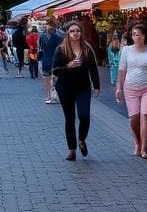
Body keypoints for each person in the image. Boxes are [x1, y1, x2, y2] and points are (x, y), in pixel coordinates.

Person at [52, 20, 101, 161]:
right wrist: (68, 66)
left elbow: (93, 68)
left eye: (78, 31)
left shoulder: (86, 49)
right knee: (70, 119)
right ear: (68, 33)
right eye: (72, 31)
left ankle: (82, 139)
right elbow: (55, 71)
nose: (75, 33)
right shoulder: (61, 49)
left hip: (83, 87)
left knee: (84, 115)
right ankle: (71, 149)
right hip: (65, 88)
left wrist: (96, 86)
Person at [116, 23, 147, 159]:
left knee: (145, 114)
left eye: (139, 34)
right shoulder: (126, 50)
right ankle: (137, 142)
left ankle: (144, 147)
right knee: (134, 117)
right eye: (134, 34)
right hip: (130, 87)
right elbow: (122, 70)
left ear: (145, 36)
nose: (136, 37)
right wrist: (118, 88)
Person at [39, 19, 64, 103]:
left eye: (52, 24)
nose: (50, 26)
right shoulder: (42, 35)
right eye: (49, 24)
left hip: (57, 60)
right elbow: (40, 47)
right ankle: (49, 96)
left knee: (57, 78)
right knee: (47, 79)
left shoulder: (60, 35)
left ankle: (56, 95)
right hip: (46, 60)